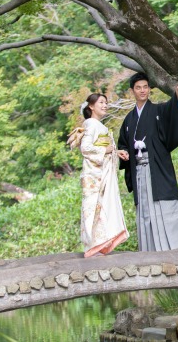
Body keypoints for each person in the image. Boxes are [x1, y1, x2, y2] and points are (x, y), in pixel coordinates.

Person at [117, 73, 178, 251]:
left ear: (149, 89)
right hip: (139, 173)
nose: (143, 90)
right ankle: (149, 250)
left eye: (145, 87)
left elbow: (171, 110)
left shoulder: (158, 111)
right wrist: (124, 153)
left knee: (163, 206)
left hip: (157, 167)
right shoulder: (128, 120)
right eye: (138, 87)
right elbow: (123, 144)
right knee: (145, 210)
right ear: (132, 91)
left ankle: (171, 249)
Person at [67, 93, 129, 257]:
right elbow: (86, 148)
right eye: (101, 102)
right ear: (91, 107)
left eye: (106, 102)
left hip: (102, 172)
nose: (105, 105)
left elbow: (105, 149)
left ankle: (100, 243)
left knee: (103, 207)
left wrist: (116, 152)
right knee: (95, 207)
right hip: (95, 175)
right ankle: (94, 244)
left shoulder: (97, 125)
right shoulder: (91, 125)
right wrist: (107, 150)